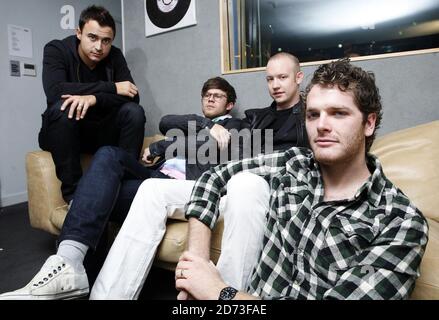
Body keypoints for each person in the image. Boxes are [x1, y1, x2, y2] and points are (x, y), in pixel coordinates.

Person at [175, 59, 429, 300]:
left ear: (369, 123)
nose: (321, 125)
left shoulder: (400, 221)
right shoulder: (294, 164)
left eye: (338, 113)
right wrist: (196, 265)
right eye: (313, 115)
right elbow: (213, 177)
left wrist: (218, 291)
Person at [87, 53, 311, 299]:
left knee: (245, 183)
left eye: (282, 77)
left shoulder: (311, 115)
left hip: (264, 191)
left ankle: (218, 296)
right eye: (270, 79)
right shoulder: (255, 118)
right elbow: (227, 150)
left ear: (298, 77)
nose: (276, 85)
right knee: (151, 188)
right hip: (229, 187)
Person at [0, 77, 247, 300]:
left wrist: (161, 147)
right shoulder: (196, 123)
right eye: (207, 95)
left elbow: (202, 146)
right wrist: (204, 123)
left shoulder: (236, 126)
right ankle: (68, 263)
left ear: (229, 104)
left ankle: (81, 269)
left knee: (100, 197)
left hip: (177, 187)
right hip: (154, 176)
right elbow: (165, 121)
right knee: (108, 156)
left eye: (218, 96)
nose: (210, 98)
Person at [38, 5, 146, 203]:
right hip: (67, 130)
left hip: (100, 132)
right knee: (64, 108)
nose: (99, 47)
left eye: (106, 41)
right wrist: (111, 88)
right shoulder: (56, 49)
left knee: (134, 111)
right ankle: (75, 197)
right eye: (93, 38)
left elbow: (132, 95)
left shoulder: (114, 55)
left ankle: (128, 188)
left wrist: (94, 98)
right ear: (79, 33)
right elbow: (55, 91)